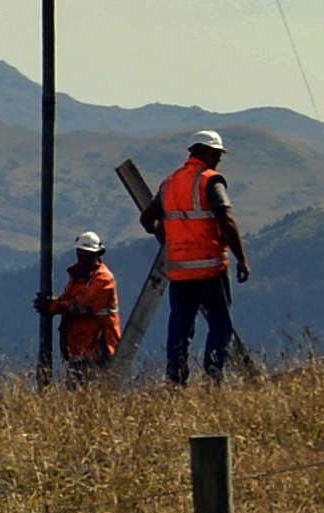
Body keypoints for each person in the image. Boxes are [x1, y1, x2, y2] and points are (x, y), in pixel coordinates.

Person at [140, 131, 249, 385]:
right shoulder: (210, 181)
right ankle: (213, 378)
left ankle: (176, 380)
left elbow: (147, 219)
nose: (219, 160)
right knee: (220, 323)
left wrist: (165, 234)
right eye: (218, 155)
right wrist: (242, 258)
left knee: (179, 326)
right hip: (210, 267)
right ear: (207, 152)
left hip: (179, 270)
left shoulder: (169, 183)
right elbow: (227, 219)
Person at [32, 231, 123, 381]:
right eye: (80, 254)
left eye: (87, 254)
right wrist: (52, 303)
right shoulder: (79, 277)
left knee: (95, 395)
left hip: (99, 351)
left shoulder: (103, 279)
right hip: (79, 350)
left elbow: (77, 307)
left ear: (97, 254)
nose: (83, 258)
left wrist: (50, 307)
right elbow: (67, 300)